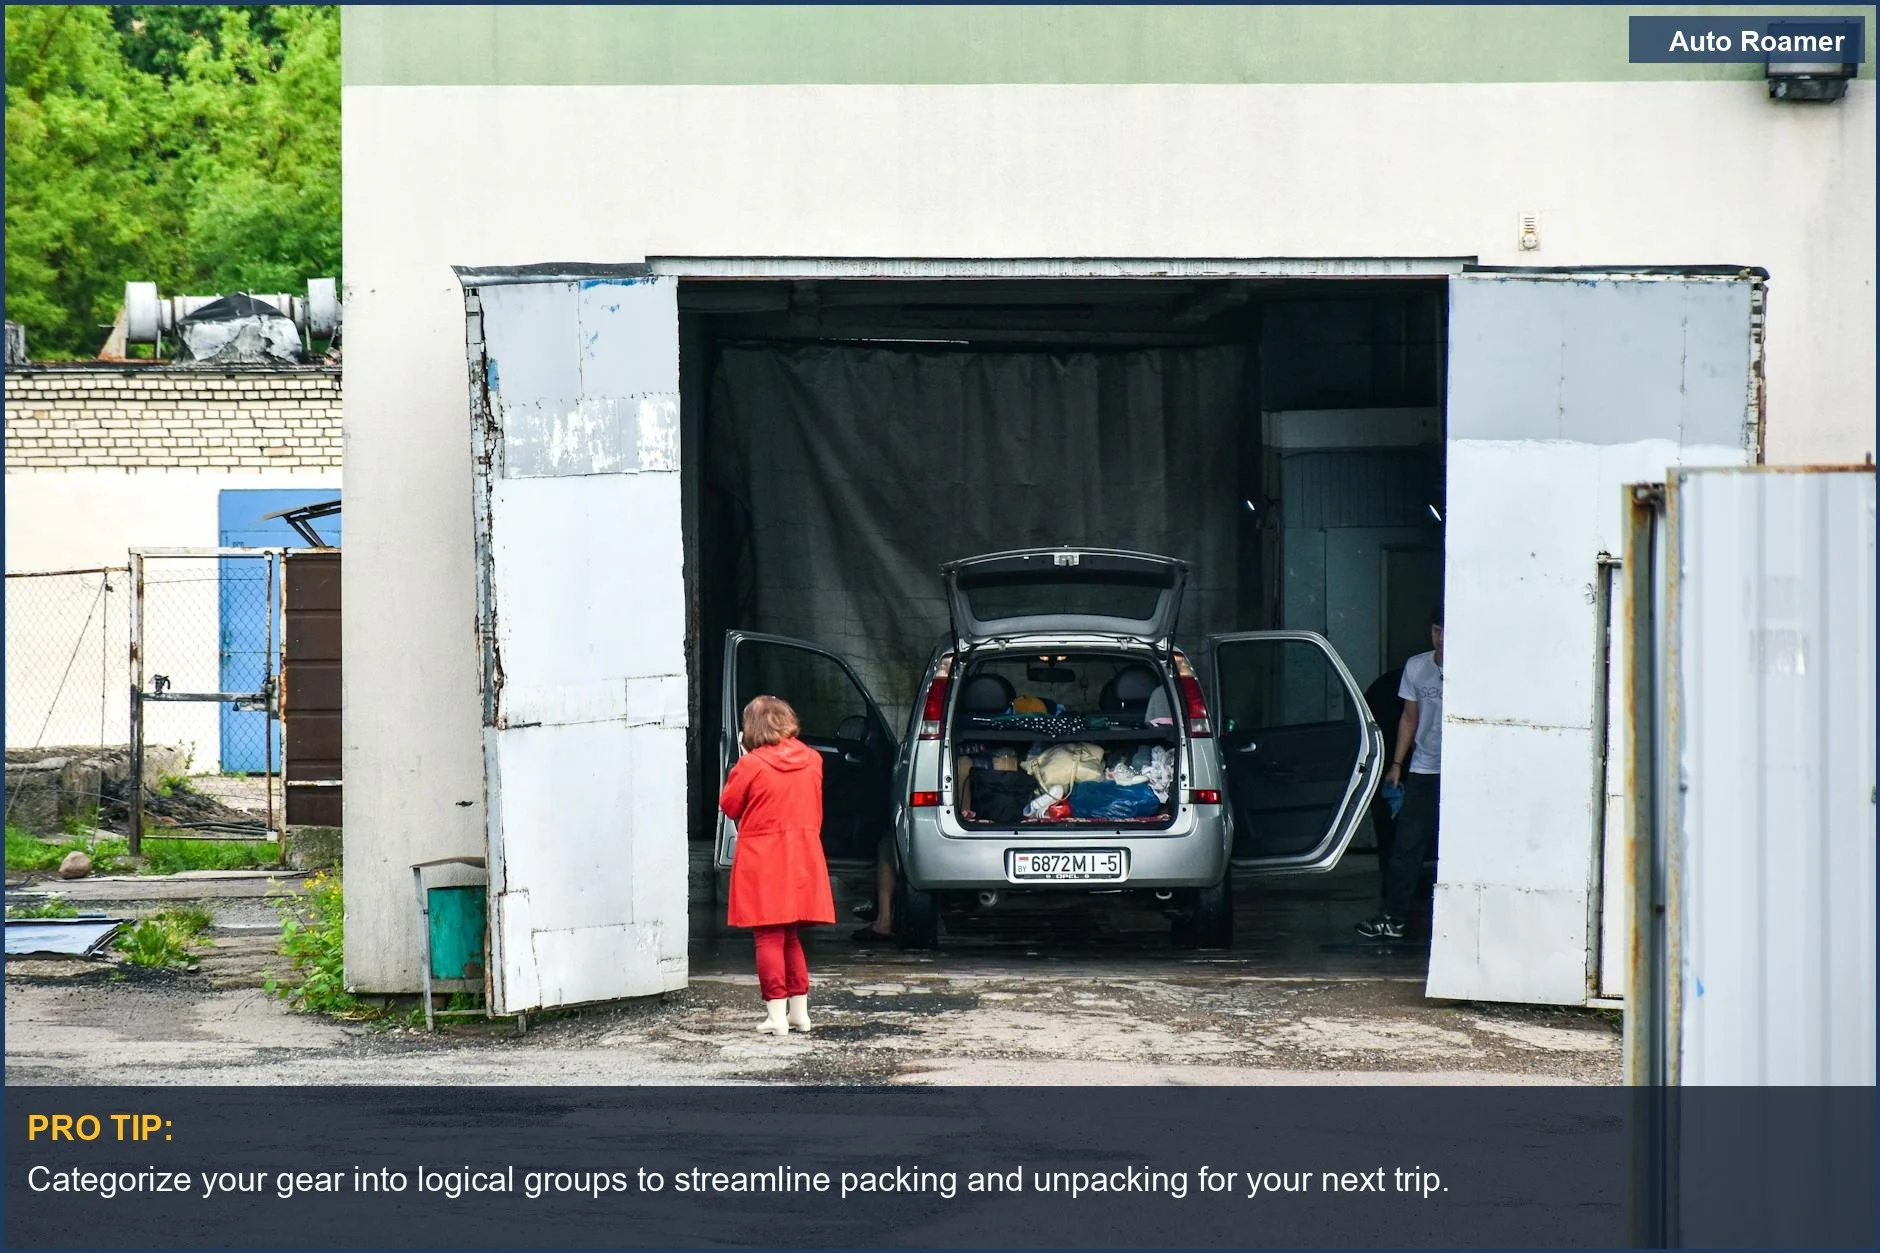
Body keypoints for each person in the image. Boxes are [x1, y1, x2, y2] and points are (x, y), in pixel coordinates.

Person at [718, 695, 836, 1034]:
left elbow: (729, 804)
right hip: (802, 855)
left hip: (764, 859)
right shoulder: (813, 759)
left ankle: (776, 1017)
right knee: (791, 937)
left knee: (767, 937)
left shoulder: (752, 764)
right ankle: (800, 1013)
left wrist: (741, 759)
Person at [1358, 606, 1443, 942]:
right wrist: (1396, 765)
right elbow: (1409, 718)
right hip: (1424, 768)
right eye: (1436, 630)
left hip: (1462, 773)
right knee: (1406, 844)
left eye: (1447, 632)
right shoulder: (1417, 667)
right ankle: (1392, 918)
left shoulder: (1474, 669)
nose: (1440, 639)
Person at [1361, 665, 1406, 904]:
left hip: (1387, 764)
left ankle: (1390, 877)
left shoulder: (1385, 686)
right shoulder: (1393, 686)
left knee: (1389, 828)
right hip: (1404, 765)